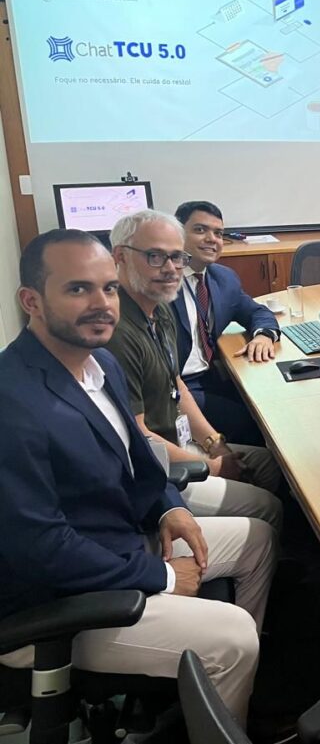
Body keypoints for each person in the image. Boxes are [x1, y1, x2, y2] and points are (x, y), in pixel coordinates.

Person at [0, 229, 275, 725]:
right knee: (232, 637)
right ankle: (224, 685)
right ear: (31, 301)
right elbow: (40, 549)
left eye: (108, 288)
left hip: (118, 541)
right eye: (78, 289)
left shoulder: (99, 362)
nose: (102, 304)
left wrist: (169, 507)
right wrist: (163, 577)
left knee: (258, 539)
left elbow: (138, 456)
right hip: (57, 602)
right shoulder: (12, 399)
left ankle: (221, 689)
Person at [107, 210, 283, 530]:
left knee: (269, 464)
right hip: (154, 465)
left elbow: (176, 385)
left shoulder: (158, 308)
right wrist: (214, 466)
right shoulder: (115, 331)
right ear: (120, 256)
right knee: (268, 505)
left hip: (180, 432)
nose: (170, 268)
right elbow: (138, 438)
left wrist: (216, 445)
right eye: (156, 257)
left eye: (176, 258)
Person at [172, 200, 279, 446]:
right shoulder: (164, 282)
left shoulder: (223, 278)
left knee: (273, 406)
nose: (212, 239)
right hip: (177, 387)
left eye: (218, 233)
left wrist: (264, 335)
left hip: (212, 375)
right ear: (177, 234)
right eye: (200, 230)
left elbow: (257, 312)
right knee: (254, 425)